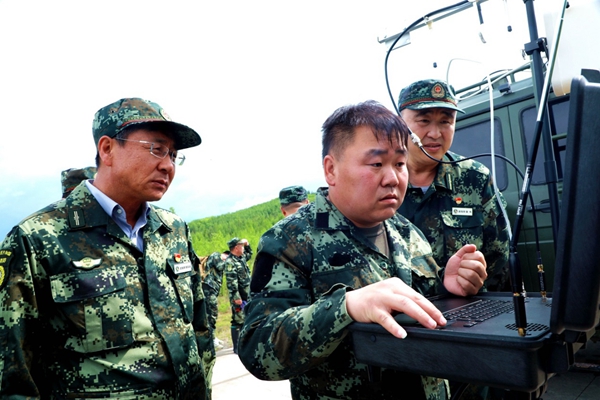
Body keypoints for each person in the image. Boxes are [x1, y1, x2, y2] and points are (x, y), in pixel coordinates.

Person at [238, 100, 487, 399]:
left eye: (400, 164)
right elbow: (257, 349)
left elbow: (426, 313)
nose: (393, 178)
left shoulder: (407, 232)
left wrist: (449, 288)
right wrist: (345, 308)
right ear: (331, 169)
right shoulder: (290, 240)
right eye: (377, 164)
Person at [0, 97, 212, 399]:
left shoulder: (173, 230)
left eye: (174, 155)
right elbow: (12, 375)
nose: (167, 165)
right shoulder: (37, 238)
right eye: (157, 148)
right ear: (107, 148)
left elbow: (200, 330)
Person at [397, 79, 510, 292]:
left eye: (445, 122)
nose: (435, 133)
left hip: (468, 308)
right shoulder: (382, 182)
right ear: (399, 123)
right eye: (424, 121)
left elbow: (499, 260)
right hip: (403, 310)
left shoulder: (475, 179)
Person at [223, 237, 252, 354]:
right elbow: (232, 283)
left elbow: (250, 254)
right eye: (241, 246)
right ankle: (236, 347)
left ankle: (245, 344)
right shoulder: (230, 262)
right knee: (238, 320)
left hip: (247, 294)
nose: (243, 248)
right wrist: (236, 298)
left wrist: (247, 244)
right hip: (238, 296)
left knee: (247, 318)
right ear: (236, 248)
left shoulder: (241, 258)